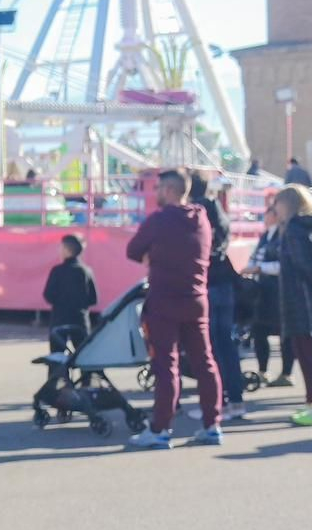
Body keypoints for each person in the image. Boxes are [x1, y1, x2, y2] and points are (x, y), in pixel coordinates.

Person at [125, 169, 222, 449]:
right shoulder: (201, 218)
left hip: (164, 298)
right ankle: (212, 425)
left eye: (158, 189)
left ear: (168, 190)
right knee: (205, 362)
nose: (155, 194)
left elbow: (133, 249)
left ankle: (160, 429)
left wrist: (152, 254)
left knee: (166, 364)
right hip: (197, 298)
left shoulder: (160, 220)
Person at [190, 173, 245, 421]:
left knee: (209, 348)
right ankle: (236, 400)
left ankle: (216, 402)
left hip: (207, 283)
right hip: (226, 282)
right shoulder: (218, 210)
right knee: (227, 343)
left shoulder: (194, 212)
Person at [273, 184, 312, 426]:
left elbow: (301, 263)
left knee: (310, 353)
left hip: (300, 300)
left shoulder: (294, 228)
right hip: (311, 299)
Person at [245, 201, 294, 387]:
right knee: (259, 331)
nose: (265, 217)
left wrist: (260, 268)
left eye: (268, 213)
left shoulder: (283, 235)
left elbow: (284, 265)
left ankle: (287, 373)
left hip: (278, 292)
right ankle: (263, 370)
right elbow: (256, 255)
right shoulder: (266, 236)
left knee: (284, 333)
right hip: (263, 293)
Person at [42, 234, 98, 354]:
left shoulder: (57, 271)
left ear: (66, 250)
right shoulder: (86, 271)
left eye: (61, 247)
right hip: (80, 320)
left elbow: (48, 295)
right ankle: (88, 373)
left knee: (57, 357)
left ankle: (59, 372)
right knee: (84, 355)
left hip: (59, 319)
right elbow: (93, 299)